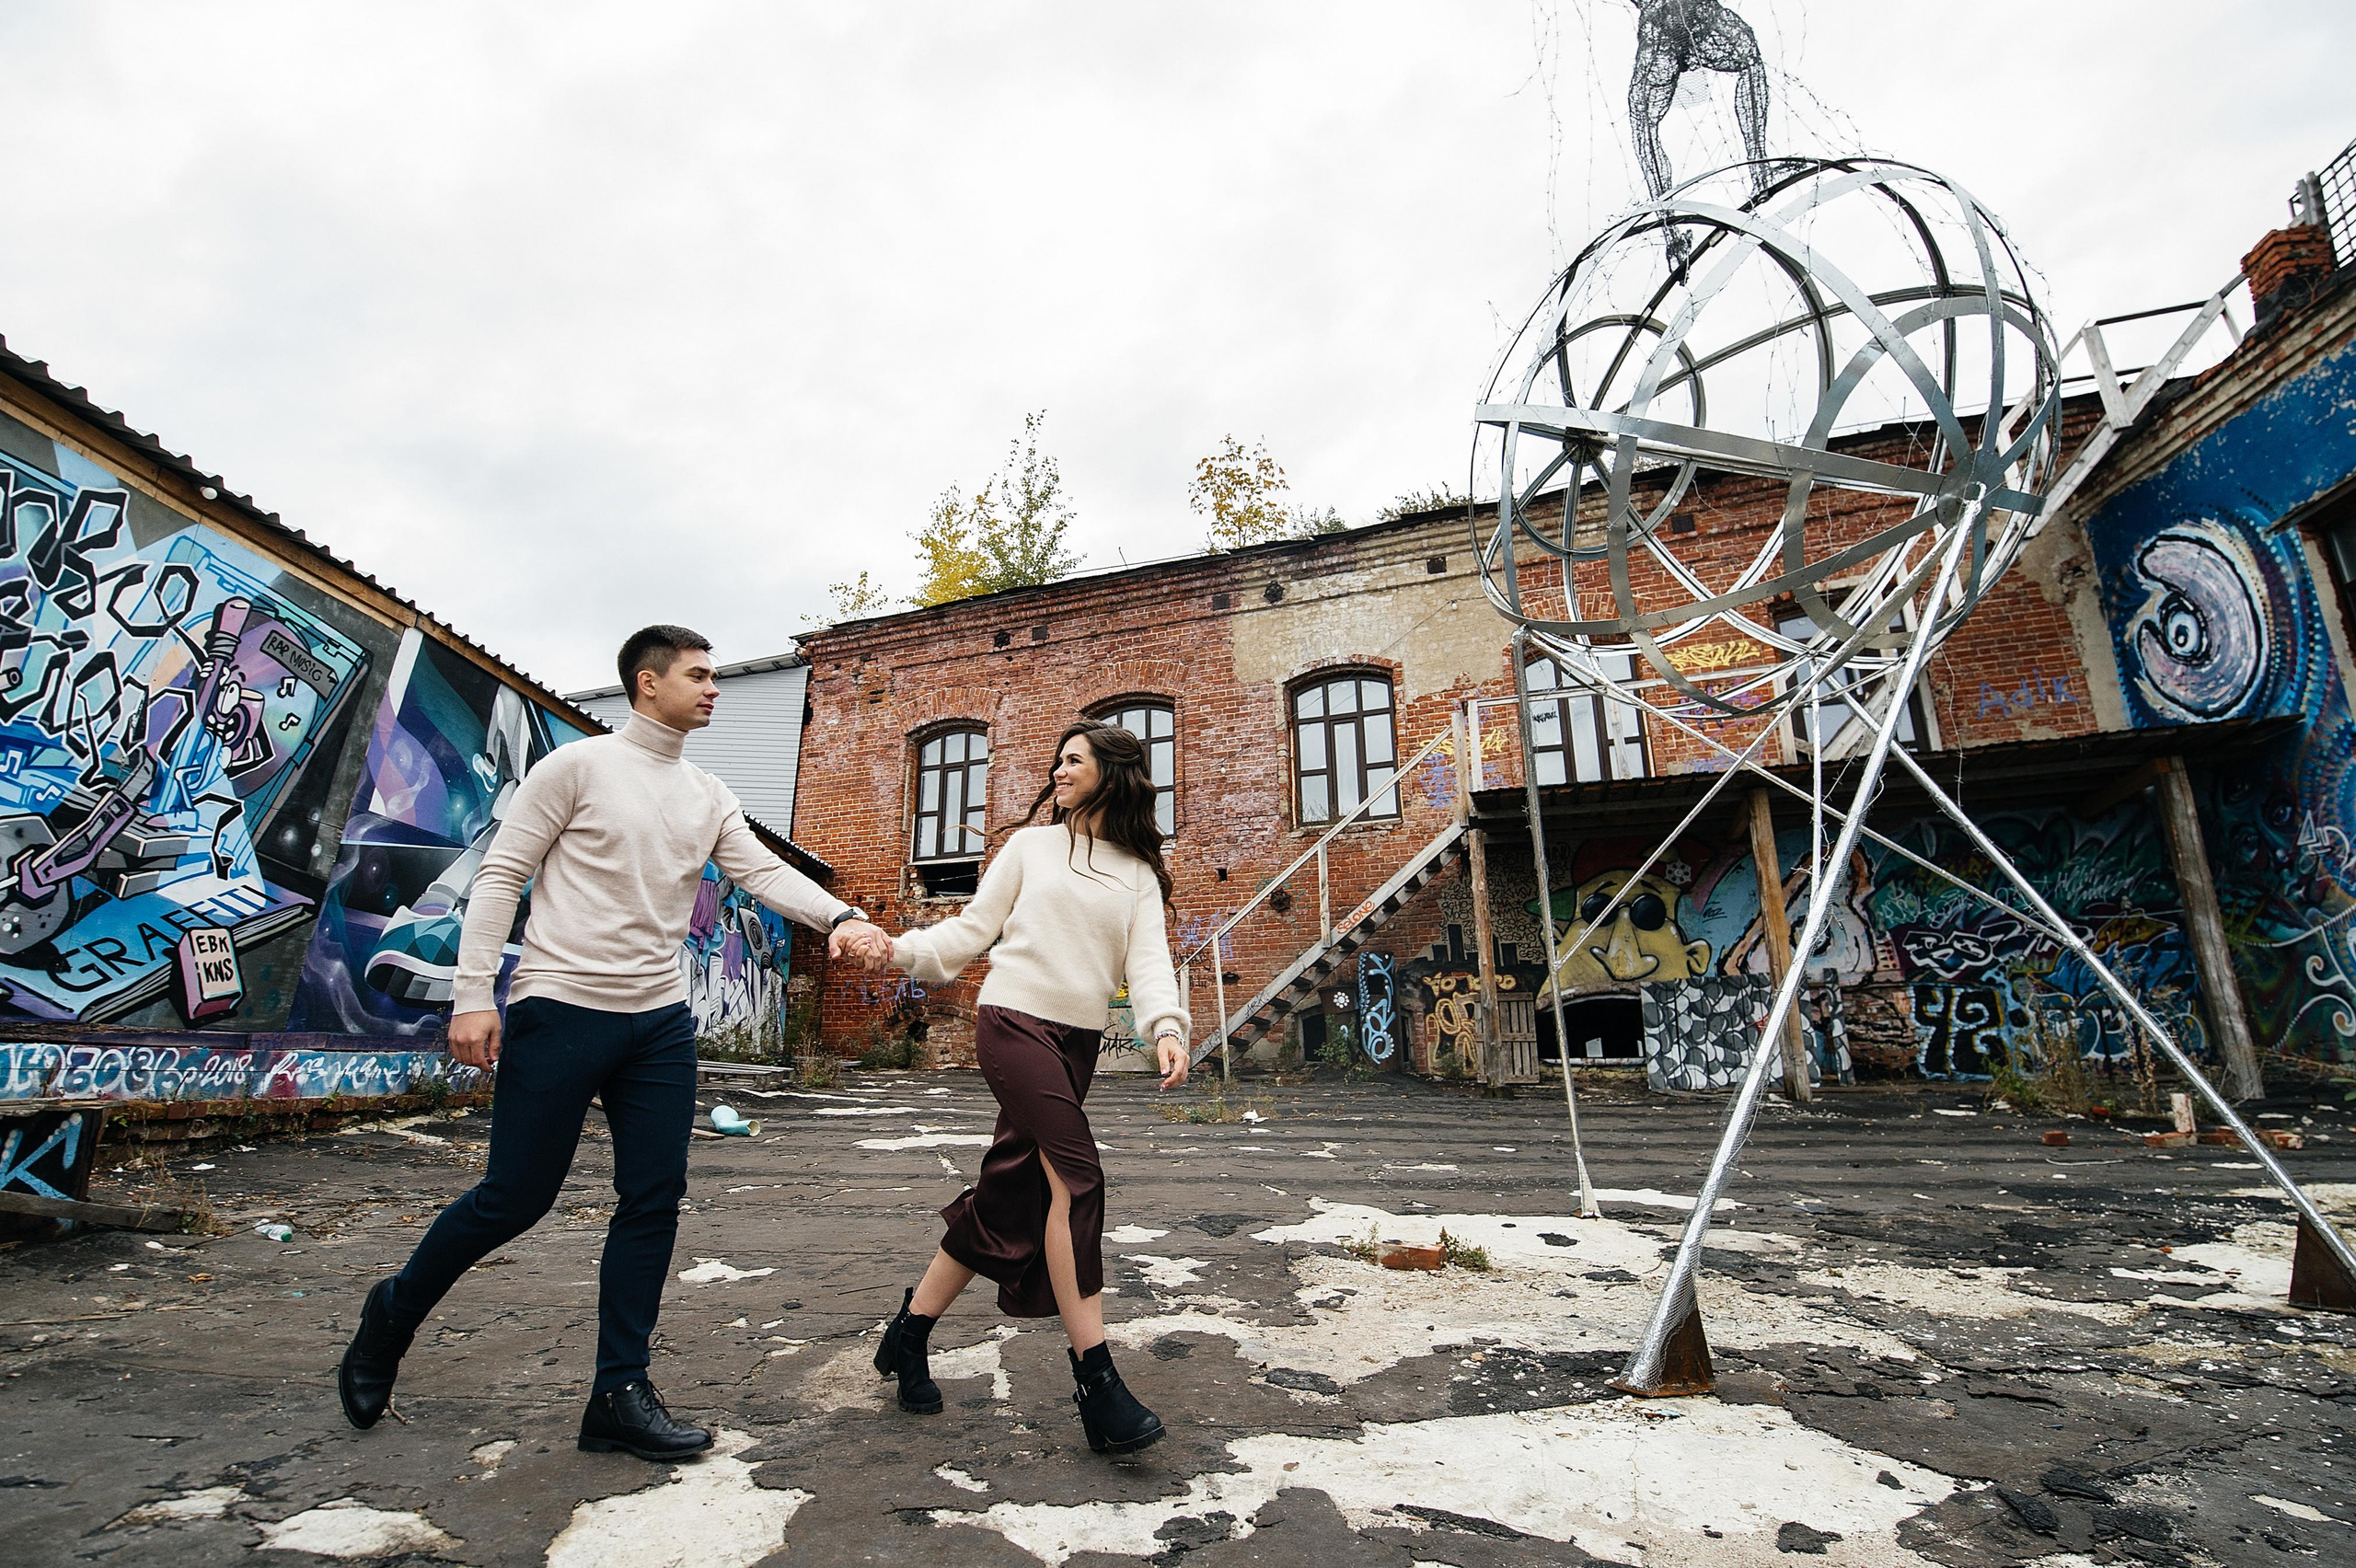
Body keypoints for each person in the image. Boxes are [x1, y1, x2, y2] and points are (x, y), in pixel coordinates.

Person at [337, 625, 886, 1461]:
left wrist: (840, 916)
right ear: (647, 683)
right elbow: (500, 875)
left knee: (652, 1199)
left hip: (658, 1023)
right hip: (562, 1009)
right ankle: (393, 1312)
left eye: (714, 675)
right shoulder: (577, 768)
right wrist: (472, 996)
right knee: (514, 1199)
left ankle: (618, 1393)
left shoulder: (706, 792)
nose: (713, 688)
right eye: (698, 675)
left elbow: (762, 873)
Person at [848, 721, 1189, 1455]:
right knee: (1078, 1178)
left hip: (1076, 1043)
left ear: (1111, 774)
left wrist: (1166, 1026)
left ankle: (909, 1334)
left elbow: (1150, 961)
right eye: (1057, 760)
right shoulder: (1031, 849)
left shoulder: (1136, 874)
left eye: (1074, 761)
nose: (1058, 772)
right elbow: (969, 932)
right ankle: (1097, 1382)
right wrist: (897, 949)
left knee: (1007, 1197)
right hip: (1013, 1022)